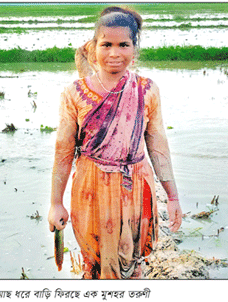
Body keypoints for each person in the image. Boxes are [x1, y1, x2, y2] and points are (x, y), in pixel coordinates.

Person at [48, 6, 182, 279]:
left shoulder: (147, 89)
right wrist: (55, 203)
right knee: (94, 264)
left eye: (124, 45)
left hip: (135, 186)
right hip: (90, 187)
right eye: (106, 44)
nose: (114, 53)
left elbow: (158, 146)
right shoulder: (74, 93)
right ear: (93, 47)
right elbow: (63, 153)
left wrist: (173, 196)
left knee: (134, 262)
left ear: (135, 49)